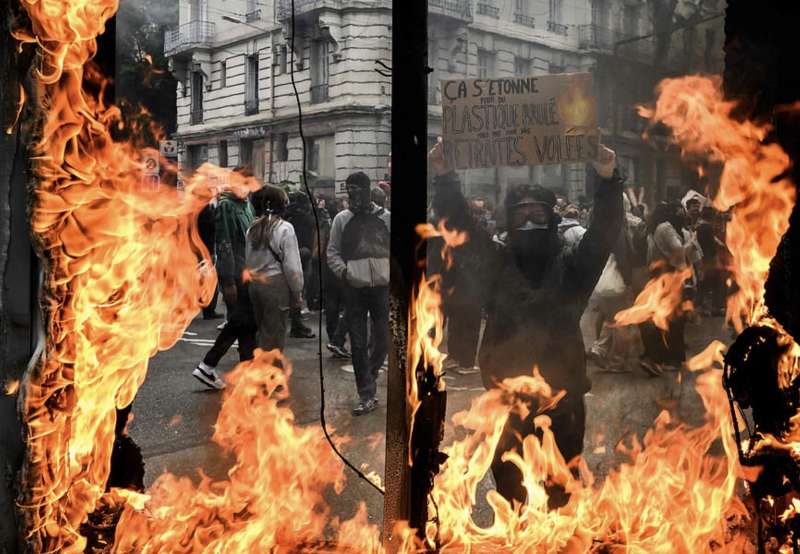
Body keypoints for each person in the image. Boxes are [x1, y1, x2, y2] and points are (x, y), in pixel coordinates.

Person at [429, 138, 623, 508]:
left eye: (538, 214)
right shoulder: (496, 266)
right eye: (521, 215)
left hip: (562, 399)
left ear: (552, 219)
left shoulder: (573, 269)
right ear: (510, 220)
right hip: (506, 399)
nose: (530, 221)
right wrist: (445, 176)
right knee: (511, 490)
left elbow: (603, 235)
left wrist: (609, 179)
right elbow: (463, 232)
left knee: (561, 489)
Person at [327, 172, 391, 416]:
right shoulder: (342, 220)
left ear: (367, 190)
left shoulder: (386, 218)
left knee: (382, 338)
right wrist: (345, 274)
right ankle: (366, 392)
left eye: (357, 190)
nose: (353, 195)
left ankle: (370, 377)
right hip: (354, 289)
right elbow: (332, 252)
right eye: (349, 190)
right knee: (358, 342)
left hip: (382, 288)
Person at [192, 174, 257, 390]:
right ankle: (208, 365)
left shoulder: (245, 205)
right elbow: (224, 243)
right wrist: (228, 280)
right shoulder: (227, 206)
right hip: (235, 273)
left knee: (245, 323)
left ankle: (241, 369)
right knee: (240, 321)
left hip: (247, 271)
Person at [638, 202, 702, 376]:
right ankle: (669, 358)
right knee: (672, 319)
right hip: (670, 279)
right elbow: (678, 250)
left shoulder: (654, 229)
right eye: (677, 210)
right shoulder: (665, 228)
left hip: (660, 278)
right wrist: (692, 241)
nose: (681, 212)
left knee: (661, 318)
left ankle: (659, 357)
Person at [246, 186, 304, 354]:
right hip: (275, 286)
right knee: (274, 336)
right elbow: (292, 266)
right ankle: (270, 376)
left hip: (255, 284)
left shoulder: (252, 228)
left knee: (262, 332)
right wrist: (297, 291)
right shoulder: (284, 228)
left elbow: (248, 260)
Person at [284, 191, 316, 338]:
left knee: (293, 289)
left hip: (290, 254)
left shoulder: (286, 213)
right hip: (302, 253)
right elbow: (312, 224)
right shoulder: (303, 215)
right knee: (298, 289)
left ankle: (295, 321)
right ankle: (296, 325)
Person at [198, 203, 223, 320]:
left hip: (200, 250)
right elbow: (210, 232)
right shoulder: (206, 212)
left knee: (202, 280)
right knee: (209, 281)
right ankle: (208, 310)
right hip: (206, 250)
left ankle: (206, 308)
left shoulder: (197, 210)